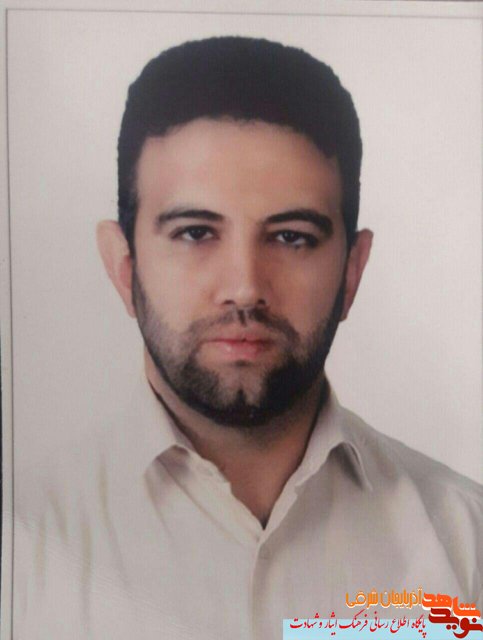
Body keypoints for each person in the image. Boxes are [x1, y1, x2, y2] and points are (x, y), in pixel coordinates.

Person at [14, 36, 482, 640]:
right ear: (123, 266)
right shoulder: (20, 545)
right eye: (194, 232)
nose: (244, 287)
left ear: (352, 271)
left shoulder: (464, 546)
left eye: (291, 237)